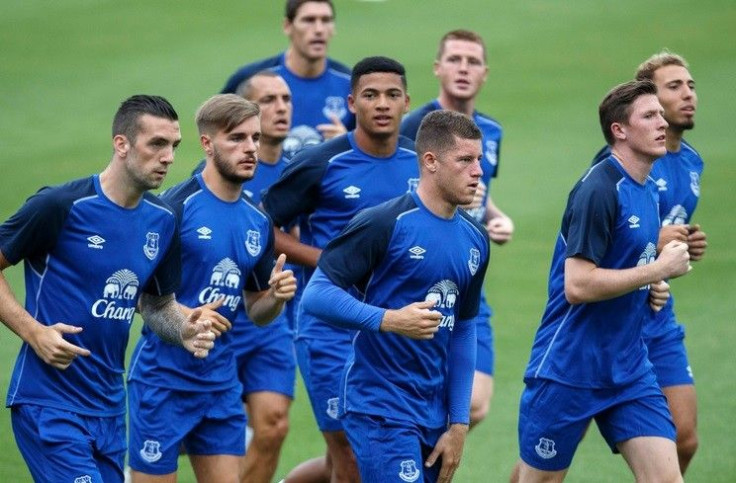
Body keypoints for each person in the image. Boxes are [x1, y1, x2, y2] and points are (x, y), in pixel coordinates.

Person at [0, 95, 216, 483]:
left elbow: (155, 305)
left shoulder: (163, 220)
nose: (168, 157)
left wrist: (184, 329)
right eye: (157, 144)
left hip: (109, 411)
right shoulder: (61, 206)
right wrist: (33, 331)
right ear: (121, 144)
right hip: (49, 404)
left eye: (174, 146)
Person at [514, 80, 692, 482]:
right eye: (649, 116)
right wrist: (658, 271)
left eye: (661, 114)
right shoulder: (598, 189)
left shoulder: (646, 190)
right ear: (620, 130)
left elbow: (629, 263)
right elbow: (577, 285)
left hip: (628, 369)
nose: (662, 122)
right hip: (568, 369)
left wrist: (651, 286)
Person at [301, 109, 490, 483]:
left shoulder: (475, 238)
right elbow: (316, 295)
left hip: (434, 414)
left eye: (479, 160)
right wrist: (389, 320)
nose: (478, 172)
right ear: (431, 162)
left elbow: (464, 331)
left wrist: (459, 425)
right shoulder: (385, 222)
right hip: (380, 408)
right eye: (465, 160)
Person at [262, 56, 418, 482]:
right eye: (370, 95)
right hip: (330, 330)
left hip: (394, 329)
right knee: (349, 450)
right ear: (352, 102)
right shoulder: (321, 163)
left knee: (370, 453)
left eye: (391, 95)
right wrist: (328, 261)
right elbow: (264, 227)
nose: (382, 104)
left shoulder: (423, 164)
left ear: (407, 102)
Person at [126, 95, 297, 483]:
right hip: (162, 382)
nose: (251, 148)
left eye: (255, 138)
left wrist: (276, 296)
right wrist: (187, 317)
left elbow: (256, 310)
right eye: (237, 138)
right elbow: (137, 296)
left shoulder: (257, 221)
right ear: (207, 144)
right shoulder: (172, 211)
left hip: (220, 383)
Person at [588, 51, 706, 474]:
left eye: (690, 85)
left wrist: (682, 244)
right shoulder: (615, 164)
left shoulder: (691, 162)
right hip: (606, 317)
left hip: (657, 313)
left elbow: (659, 232)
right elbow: (597, 238)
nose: (687, 94)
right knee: (551, 455)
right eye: (673, 87)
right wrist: (659, 242)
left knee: (685, 438)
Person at [401, 29, 513, 428]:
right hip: (418, 278)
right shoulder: (415, 127)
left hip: (466, 281)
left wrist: (495, 217)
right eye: (454, 60)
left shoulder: (491, 131)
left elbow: (479, 194)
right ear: (437, 68)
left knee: (474, 405)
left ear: (485, 72)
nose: (463, 69)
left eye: (472, 61)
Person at [222, 0, 354, 158]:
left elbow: (372, 154)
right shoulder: (251, 79)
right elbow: (218, 135)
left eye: (326, 20)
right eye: (309, 20)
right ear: (287, 26)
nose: (319, 29)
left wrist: (347, 143)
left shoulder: (352, 84)